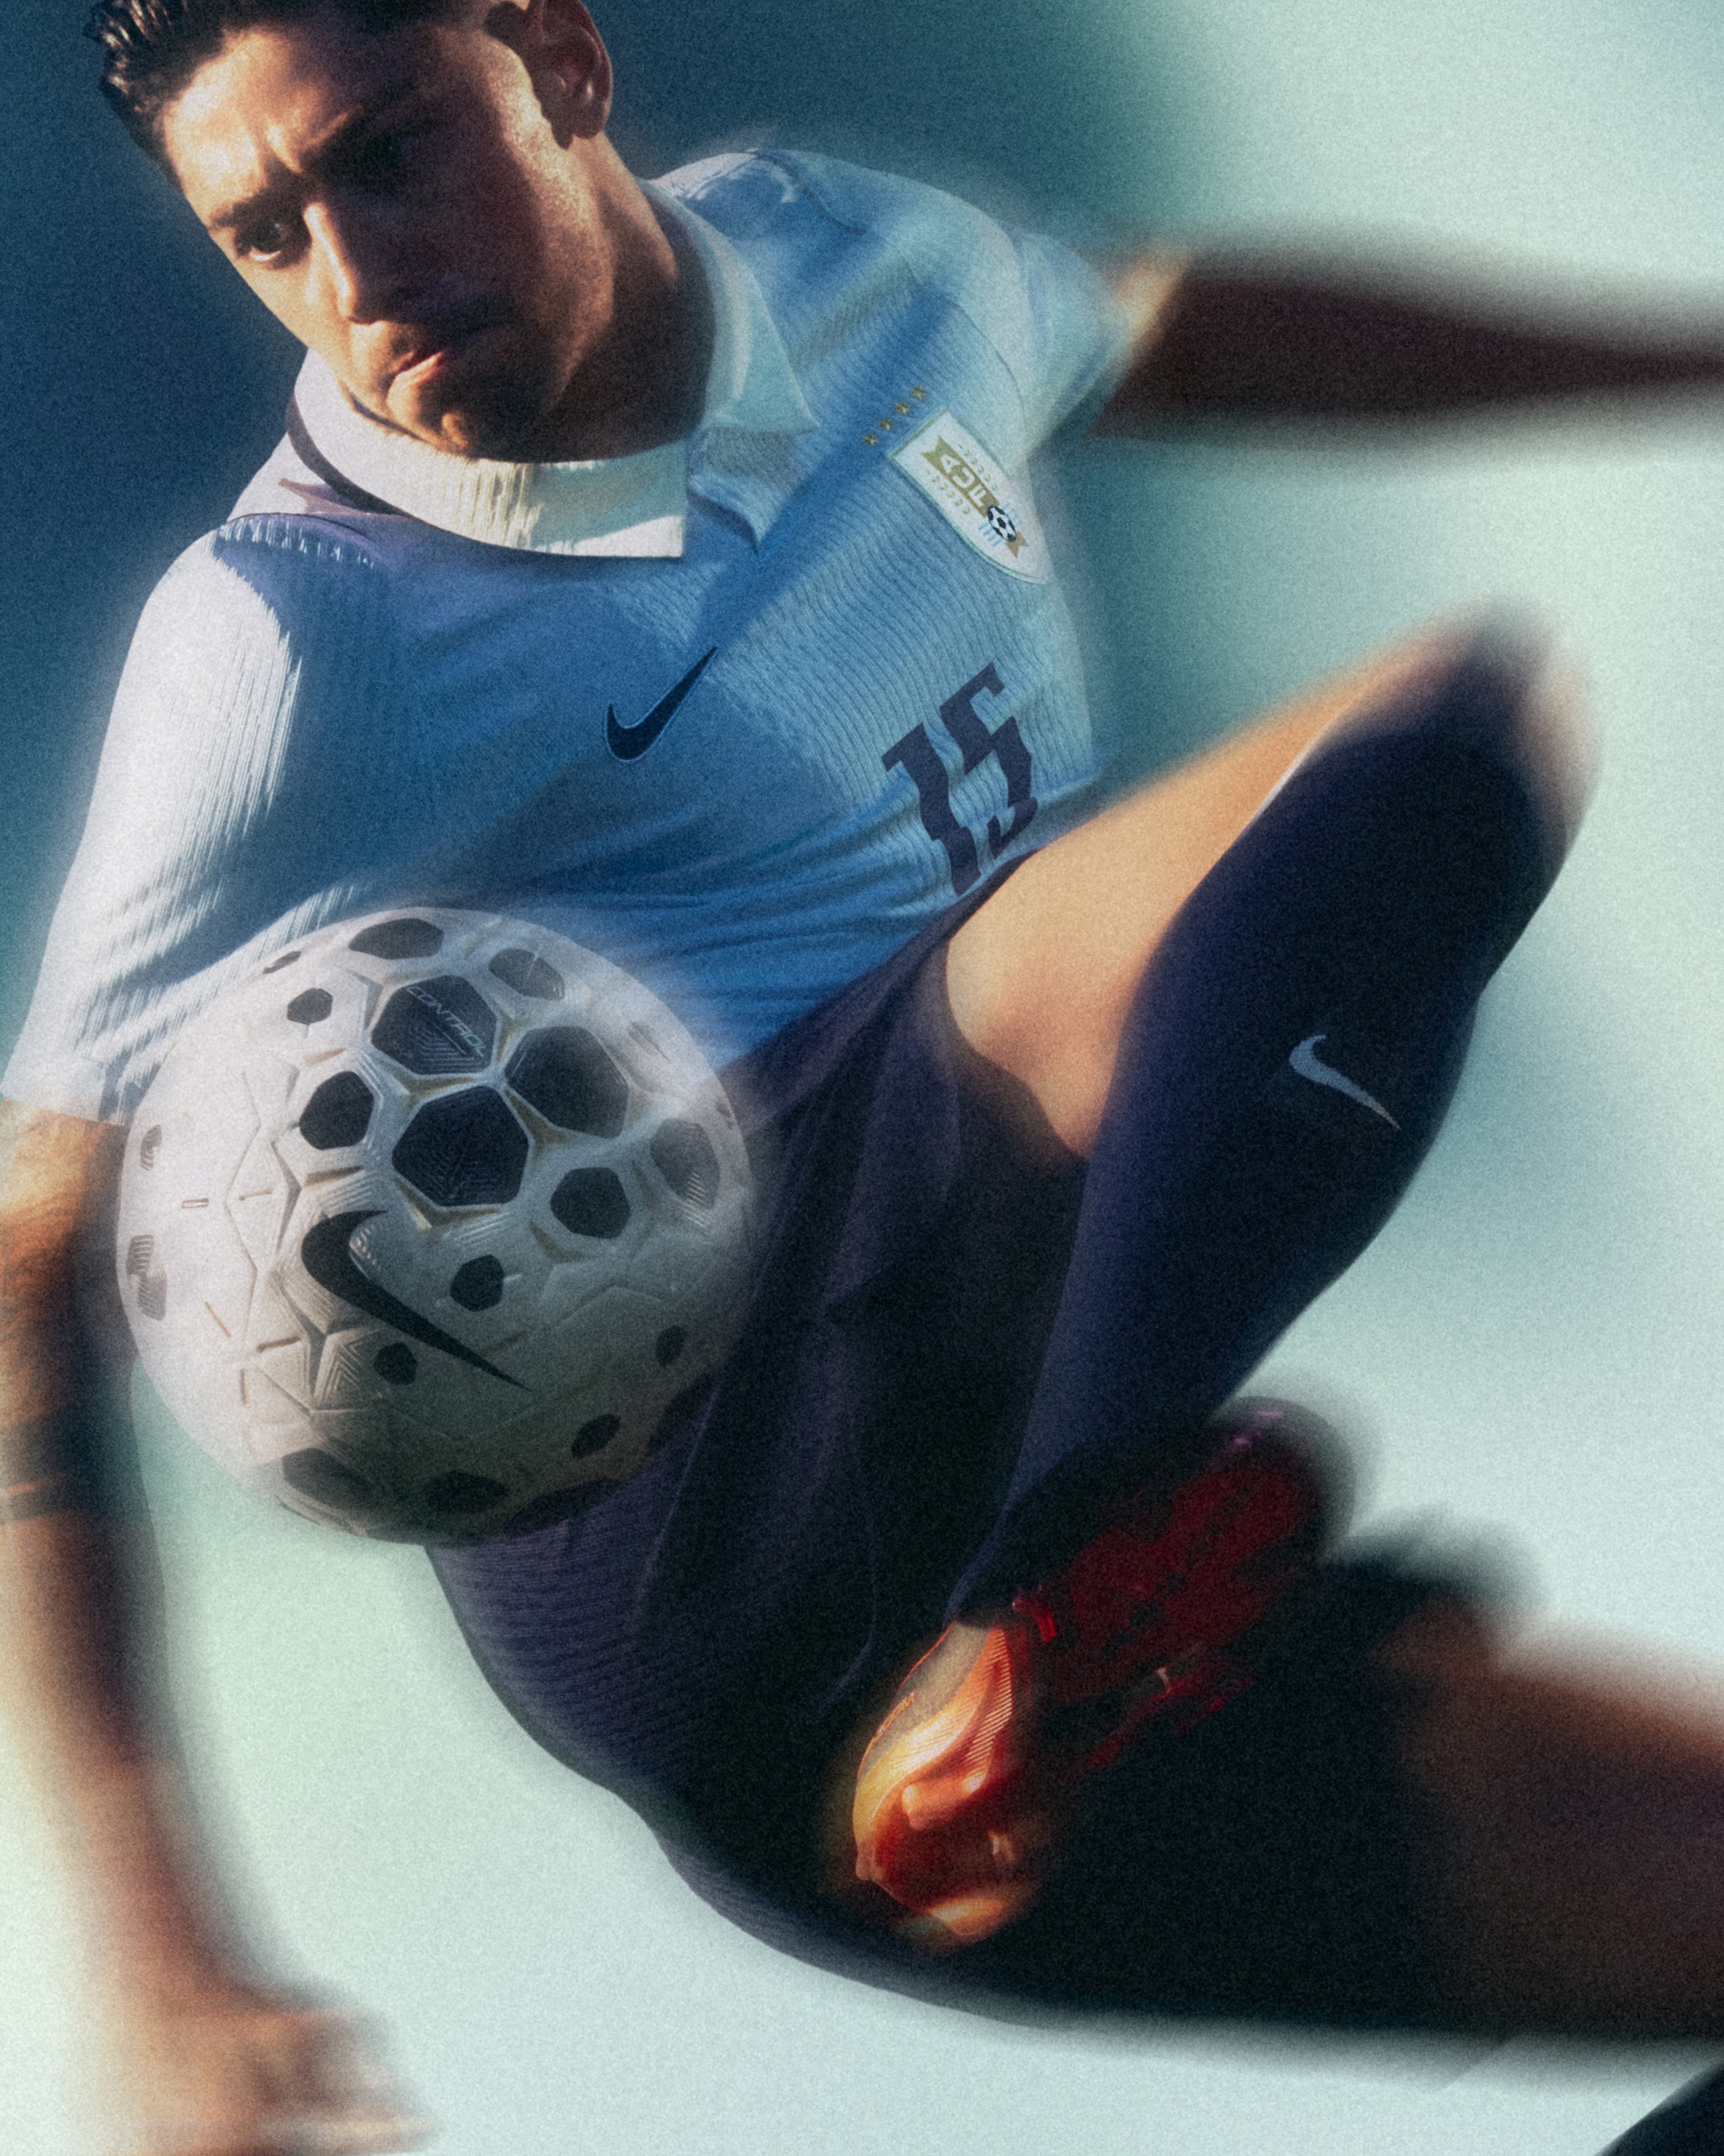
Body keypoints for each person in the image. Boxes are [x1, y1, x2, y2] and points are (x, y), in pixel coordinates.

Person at [6, 1, 1724, 2149]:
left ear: (558, 60)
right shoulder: (286, 644)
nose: (355, 276)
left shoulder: (864, 263)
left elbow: (1177, 328)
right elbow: (27, 1252)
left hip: (883, 1773)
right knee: (1445, 735)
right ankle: (1061, 1586)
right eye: (266, 232)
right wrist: (157, 1951)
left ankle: (1046, 1638)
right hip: (719, 1517)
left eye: (388, 153)